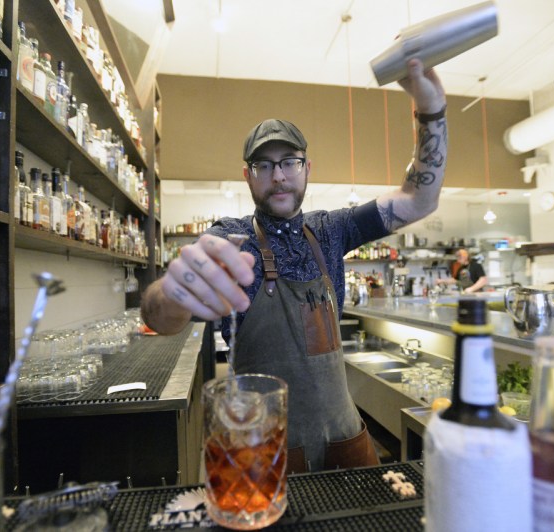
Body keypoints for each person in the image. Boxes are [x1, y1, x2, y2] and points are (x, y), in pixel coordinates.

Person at [141, 59, 447, 473]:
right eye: (264, 165)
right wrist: (171, 291)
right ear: (248, 176)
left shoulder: (332, 230)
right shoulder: (229, 240)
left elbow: (419, 200)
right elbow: (161, 319)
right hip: (264, 456)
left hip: (345, 443)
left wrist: (430, 112)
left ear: (307, 170)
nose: (279, 176)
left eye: (290, 162)